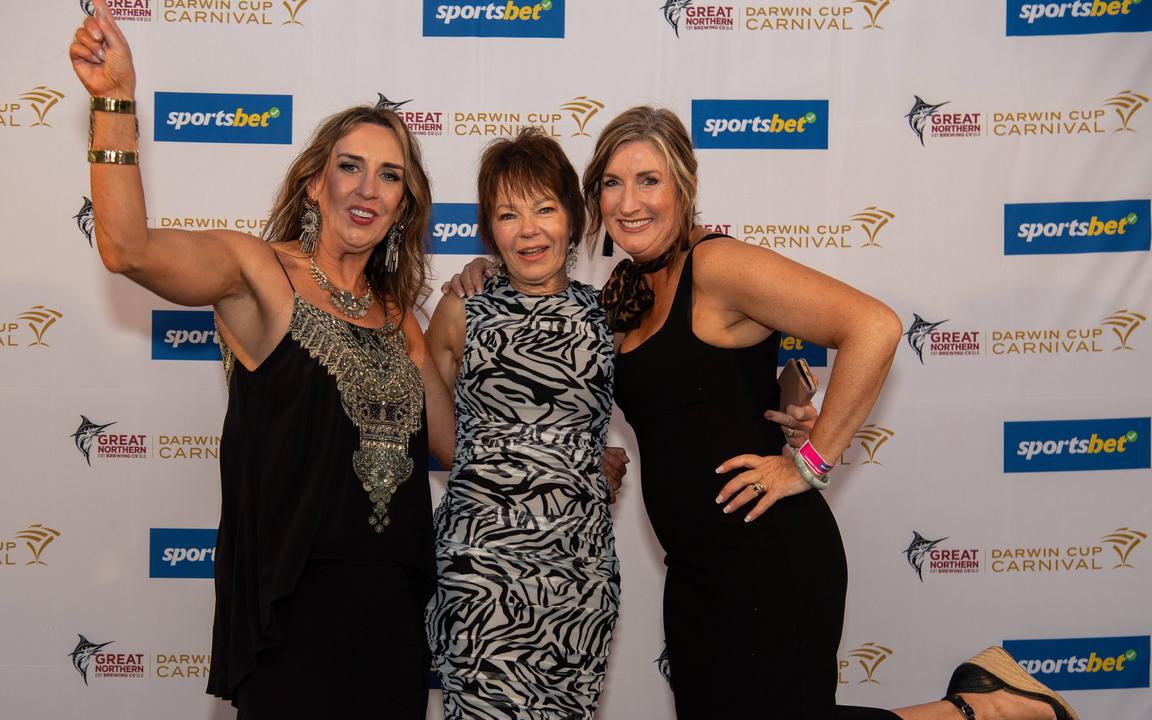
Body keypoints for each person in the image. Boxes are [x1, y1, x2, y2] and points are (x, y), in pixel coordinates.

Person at [446, 107, 1078, 720]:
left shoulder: (715, 264)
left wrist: (807, 461)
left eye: (648, 180)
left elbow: (873, 326)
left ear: (683, 187)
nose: (629, 201)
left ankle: (989, 708)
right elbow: (702, 387)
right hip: (694, 570)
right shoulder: (626, 291)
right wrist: (484, 269)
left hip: (766, 557)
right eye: (613, 183)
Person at [69, 3, 454, 718]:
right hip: (290, 621)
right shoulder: (259, 275)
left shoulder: (401, 321)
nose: (368, 189)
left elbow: (455, 442)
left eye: (390, 176)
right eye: (350, 168)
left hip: (393, 620)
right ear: (316, 183)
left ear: (403, 206)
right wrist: (114, 99)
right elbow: (127, 249)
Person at [424, 129, 622, 719]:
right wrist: (523, 463)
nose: (529, 230)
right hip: (480, 570)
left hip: (578, 573)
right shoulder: (463, 308)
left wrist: (584, 464)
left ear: (574, 217)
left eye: (545, 208)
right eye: (508, 214)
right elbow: (433, 428)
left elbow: (676, 402)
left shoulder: (609, 314)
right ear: (490, 228)